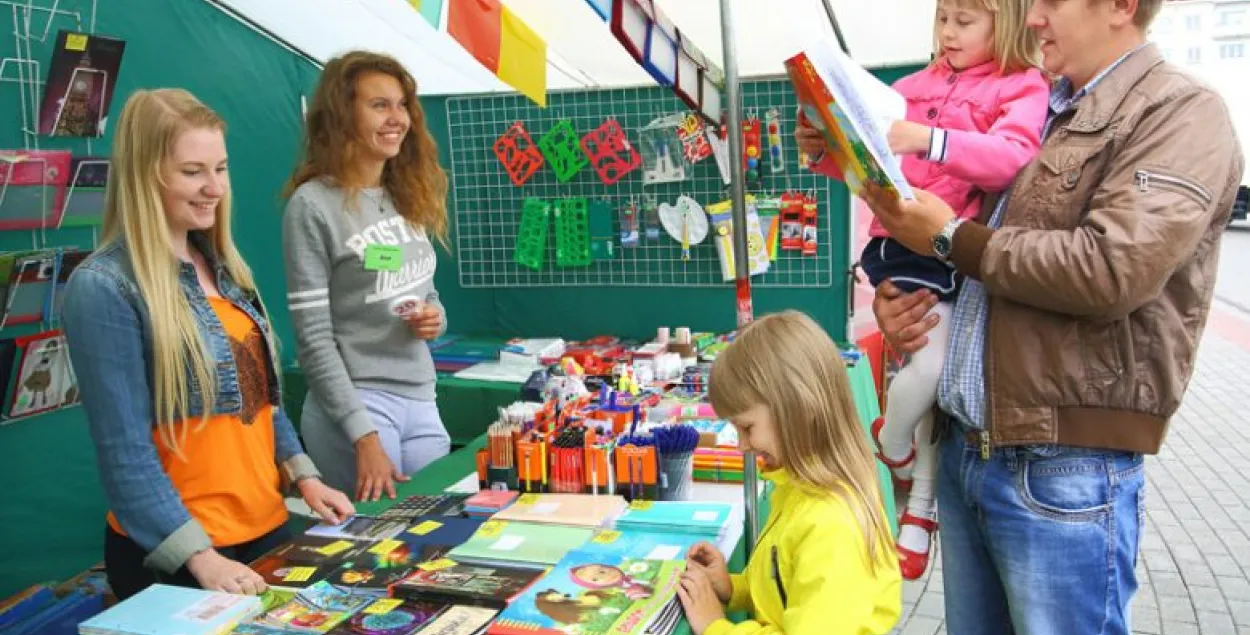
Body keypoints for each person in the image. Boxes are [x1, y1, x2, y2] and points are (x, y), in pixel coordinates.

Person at [862, 0, 1245, 632]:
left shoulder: (1179, 111)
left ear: (1122, 6)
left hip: (1062, 466)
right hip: (968, 449)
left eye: (1051, 2)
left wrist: (948, 239)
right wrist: (903, 296)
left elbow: (1110, 269)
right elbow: (984, 271)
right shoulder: (1044, 106)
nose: (1032, 17)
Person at [61, 88, 354, 601]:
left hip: (265, 533)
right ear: (145, 174)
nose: (214, 187)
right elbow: (124, 453)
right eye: (192, 171)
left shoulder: (230, 271)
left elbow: (261, 401)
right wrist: (200, 559)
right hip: (178, 558)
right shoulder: (103, 286)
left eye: (221, 168)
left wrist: (305, 477)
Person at [796, 0, 1049, 580]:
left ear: (1005, 24)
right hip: (905, 245)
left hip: (958, 251)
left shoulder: (1020, 85)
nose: (949, 32)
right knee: (931, 368)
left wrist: (928, 139)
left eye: (966, 20)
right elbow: (871, 165)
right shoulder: (907, 87)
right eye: (943, 18)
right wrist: (824, 150)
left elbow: (1012, 157)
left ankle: (897, 452)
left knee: (934, 374)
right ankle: (902, 460)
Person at [283, 51, 452, 503]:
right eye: (379, 105)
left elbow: (428, 292)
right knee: (373, 556)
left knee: (434, 540)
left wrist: (435, 317)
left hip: (421, 397)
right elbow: (314, 339)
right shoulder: (313, 205)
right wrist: (364, 436)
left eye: (402, 106)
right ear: (342, 113)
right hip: (358, 403)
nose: (396, 118)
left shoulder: (407, 195)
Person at [676, 311, 901, 635]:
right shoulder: (801, 488)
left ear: (799, 408)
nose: (741, 446)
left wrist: (716, 626)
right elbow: (785, 584)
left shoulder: (831, 525)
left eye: (747, 427)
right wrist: (732, 588)